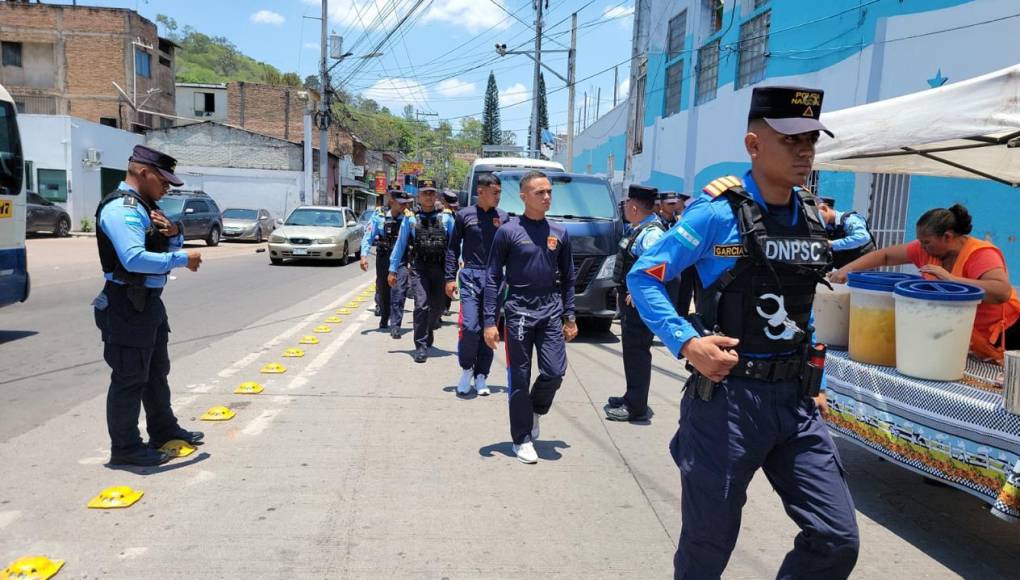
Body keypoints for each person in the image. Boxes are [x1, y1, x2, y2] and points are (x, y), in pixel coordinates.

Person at [629, 86, 860, 578]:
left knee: (836, 538)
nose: (805, 152)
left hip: (795, 403)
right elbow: (643, 276)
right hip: (729, 404)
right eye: (791, 140)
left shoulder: (812, 217)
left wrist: (814, 385)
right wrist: (687, 342)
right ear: (754, 145)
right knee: (707, 548)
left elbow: (800, 306)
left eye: (811, 141)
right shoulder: (717, 213)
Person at [92, 145, 204, 466]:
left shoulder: (146, 206)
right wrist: (183, 258)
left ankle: (164, 430)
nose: (167, 187)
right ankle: (126, 448)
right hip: (126, 304)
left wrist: (173, 233)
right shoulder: (121, 209)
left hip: (148, 302)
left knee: (156, 372)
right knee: (129, 377)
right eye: (163, 180)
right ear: (144, 173)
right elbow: (134, 258)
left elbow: (158, 241)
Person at [831, 203, 1020, 362]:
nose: (921, 247)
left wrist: (952, 279)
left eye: (926, 242)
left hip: (1007, 333)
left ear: (947, 236)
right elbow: (886, 256)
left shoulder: (981, 254)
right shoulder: (927, 250)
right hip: (971, 337)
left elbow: (1001, 291)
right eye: (920, 242)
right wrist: (847, 270)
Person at [483, 171, 578, 464]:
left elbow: (569, 278)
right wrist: (489, 321)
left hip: (550, 309)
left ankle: (536, 409)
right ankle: (521, 438)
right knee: (519, 378)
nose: (547, 197)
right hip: (520, 311)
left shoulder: (560, 232)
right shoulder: (508, 231)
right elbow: (491, 276)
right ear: (524, 196)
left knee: (554, 371)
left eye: (549, 192)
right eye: (540, 193)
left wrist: (570, 315)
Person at [605, 185, 666, 422]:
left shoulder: (652, 234)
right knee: (632, 352)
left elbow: (660, 266)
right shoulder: (639, 228)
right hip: (630, 301)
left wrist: (639, 291)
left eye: (625, 205)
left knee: (638, 353)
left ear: (633, 206)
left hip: (638, 304)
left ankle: (636, 407)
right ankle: (632, 396)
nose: (624, 209)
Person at [446, 174, 509, 396]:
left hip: (495, 278)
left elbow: (512, 250)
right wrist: (449, 278)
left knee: (488, 328)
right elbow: (453, 248)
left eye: (500, 192)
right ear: (481, 191)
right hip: (471, 275)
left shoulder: (504, 217)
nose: (498, 197)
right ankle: (467, 369)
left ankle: (482, 375)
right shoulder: (464, 216)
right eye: (495, 192)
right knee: (470, 326)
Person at [388, 179, 455, 363]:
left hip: (440, 268)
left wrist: (461, 262)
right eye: (425, 192)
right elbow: (400, 245)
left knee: (438, 308)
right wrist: (392, 269)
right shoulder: (410, 219)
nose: (428, 196)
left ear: (436, 196)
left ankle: (429, 328)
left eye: (431, 192)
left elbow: (455, 245)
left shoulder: (447, 218)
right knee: (421, 305)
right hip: (419, 268)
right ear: (419, 196)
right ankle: (420, 346)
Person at [361, 189, 414, 334]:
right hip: (384, 257)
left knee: (399, 291)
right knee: (384, 291)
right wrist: (363, 255)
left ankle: (396, 325)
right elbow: (368, 235)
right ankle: (385, 316)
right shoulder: (379, 216)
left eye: (406, 203)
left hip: (401, 259)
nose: (404, 206)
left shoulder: (409, 218)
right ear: (392, 202)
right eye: (401, 203)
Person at [816, 196, 876, 269]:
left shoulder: (849, 220)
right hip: (845, 270)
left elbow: (863, 237)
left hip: (863, 269)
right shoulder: (827, 227)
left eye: (816, 214)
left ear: (824, 208)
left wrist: (832, 244)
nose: (815, 217)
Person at [440, 189, 461, 319]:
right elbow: (456, 239)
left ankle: (443, 307)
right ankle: (444, 307)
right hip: (447, 254)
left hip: (443, 253)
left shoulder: (443, 216)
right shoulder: (449, 217)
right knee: (448, 279)